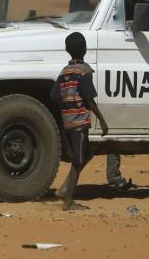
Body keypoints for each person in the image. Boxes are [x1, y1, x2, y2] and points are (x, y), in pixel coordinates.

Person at [51, 32, 109, 211]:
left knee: (87, 154)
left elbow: (54, 96)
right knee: (78, 160)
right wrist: (102, 120)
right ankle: (68, 200)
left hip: (68, 120)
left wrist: (67, 106)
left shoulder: (64, 71)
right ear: (85, 49)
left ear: (67, 50)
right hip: (79, 121)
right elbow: (89, 98)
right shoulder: (84, 71)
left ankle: (64, 189)